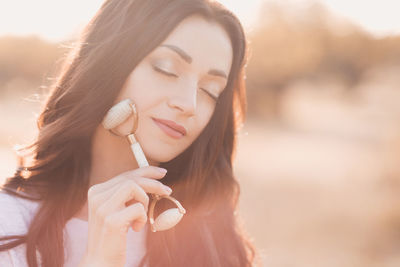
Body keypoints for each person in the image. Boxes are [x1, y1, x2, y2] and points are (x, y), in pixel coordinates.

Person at [0, 0, 256, 266]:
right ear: (109, 63)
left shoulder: (211, 236)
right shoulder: (10, 223)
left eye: (210, 90)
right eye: (166, 69)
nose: (189, 104)